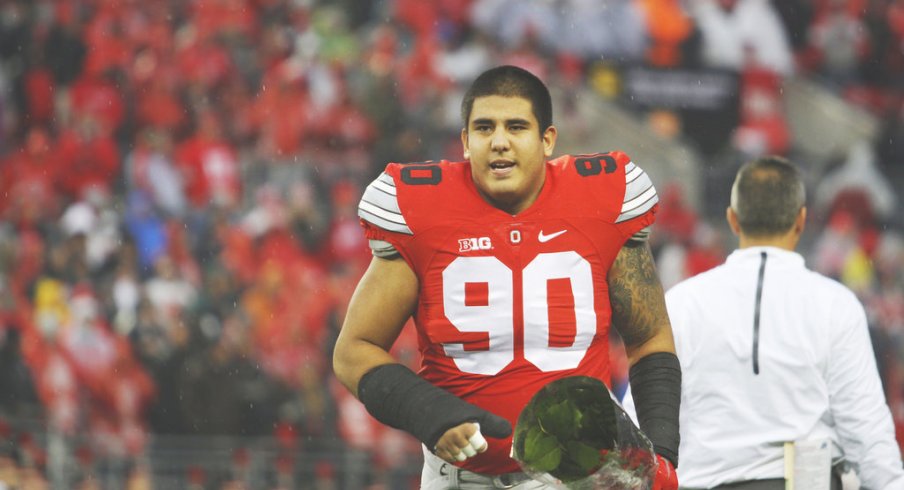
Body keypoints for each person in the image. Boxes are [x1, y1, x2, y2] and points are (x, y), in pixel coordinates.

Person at [332, 65, 681, 489]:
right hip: (462, 479)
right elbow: (354, 351)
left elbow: (649, 339)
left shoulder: (601, 199)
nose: (499, 141)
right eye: (484, 128)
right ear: (465, 141)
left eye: (516, 126)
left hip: (578, 476)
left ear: (547, 139)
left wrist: (660, 455)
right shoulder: (421, 210)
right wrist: (430, 414)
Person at [628, 156, 904, 489]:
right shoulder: (835, 303)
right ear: (801, 221)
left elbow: (638, 422)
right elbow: (867, 433)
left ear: (732, 219)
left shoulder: (681, 302)